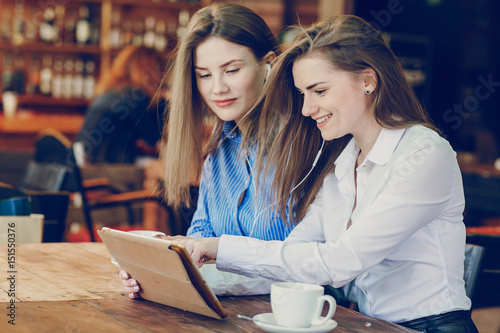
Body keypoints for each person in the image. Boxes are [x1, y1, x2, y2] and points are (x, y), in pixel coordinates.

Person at [168, 15, 479, 332]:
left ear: (368, 81)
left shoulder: (425, 154)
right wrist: (168, 273)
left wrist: (220, 247)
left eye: (319, 90)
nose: (306, 108)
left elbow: (339, 262)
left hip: (431, 327)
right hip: (373, 324)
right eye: (303, 93)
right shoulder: (344, 161)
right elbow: (294, 255)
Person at [120, 3, 295, 297]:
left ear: (269, 64)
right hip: (227, 310)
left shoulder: (303, 141)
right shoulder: (220, 145)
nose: (218, 88)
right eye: (204, 75)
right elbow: (203, 229)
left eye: (232, 70)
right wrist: (159, 267)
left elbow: (310, 259)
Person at [76, 46, 166, 164]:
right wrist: (166, 100)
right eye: (159, 70)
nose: (161, 76)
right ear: (149, 71)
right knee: (159, 172)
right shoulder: (135, 95)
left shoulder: (113, 90)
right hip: (102, 167)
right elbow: (152, 137)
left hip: (82, 162)